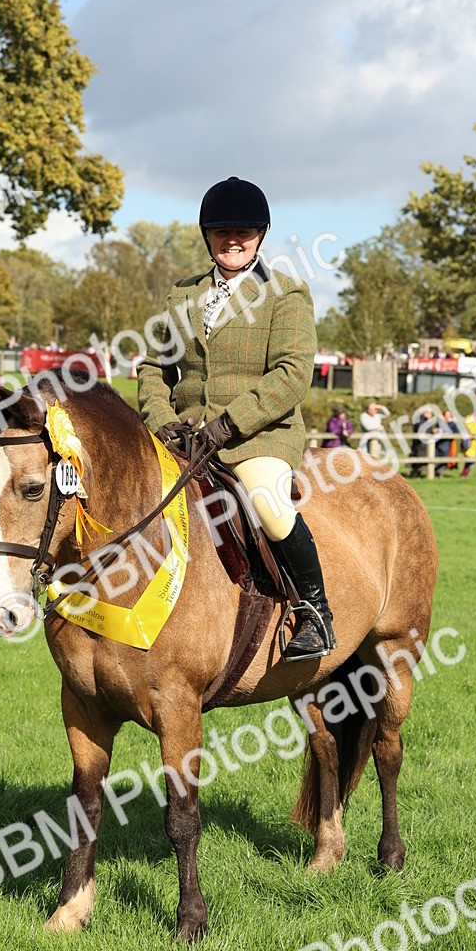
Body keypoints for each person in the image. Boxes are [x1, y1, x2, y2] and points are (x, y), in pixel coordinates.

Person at [138, 175, 334, 660]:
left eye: (244, 231)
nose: (233, 240)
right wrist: (163, 420)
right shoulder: (181, 296)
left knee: (267, 501)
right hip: (181, 438)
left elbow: (291, 375)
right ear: (207, 235)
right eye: (222, 230)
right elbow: (151, 366)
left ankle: (314, 612)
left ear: (261, 235)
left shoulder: (286, 294)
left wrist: (227, 424)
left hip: (256, 438)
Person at [435, 409, 460, 477]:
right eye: (446, 415)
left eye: (449, 415)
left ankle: (440, 472)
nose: (447, 416)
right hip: (438, 443)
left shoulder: (452, 423)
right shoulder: (440, 422)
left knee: (444, 458)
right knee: (436, 457)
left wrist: (455, 423)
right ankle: (436, 471)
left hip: (447, 443)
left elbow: (456, 431)